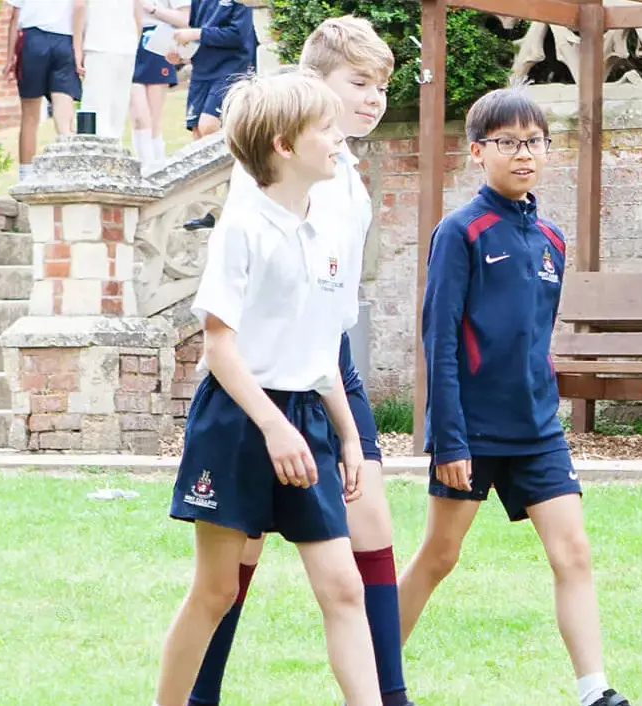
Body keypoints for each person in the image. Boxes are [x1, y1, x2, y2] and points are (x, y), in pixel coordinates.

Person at [185, 17, 415, 706]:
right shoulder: (267, 180)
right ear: (311, 89)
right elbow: (231, 319)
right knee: (233, 565)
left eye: (382, 85)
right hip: (266, 376)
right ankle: (199, 693)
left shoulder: (348, 177)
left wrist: (343, 420)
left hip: (326, 364)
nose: (374, 99)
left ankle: (388, 694)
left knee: (367, 529)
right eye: (359, 83)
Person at [152, 69, 381, 706]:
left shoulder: (331, 231)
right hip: (238, 421)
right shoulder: (242, 229)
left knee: (343, 588)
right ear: (285, 145)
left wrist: (349, 434)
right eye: (326, 128)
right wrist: (273, 428)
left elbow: (320, 349)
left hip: (306, 419)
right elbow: (218, 346)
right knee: (216, 591)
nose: (340, 139)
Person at [399, 88, 634, 706]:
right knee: (440, 555)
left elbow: (537, 336)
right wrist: (447, 436)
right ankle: (373, 676)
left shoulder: (552, 239)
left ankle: (595, 690)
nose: (523, 154)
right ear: (478, 152)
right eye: (507, 142)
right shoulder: (460, 232)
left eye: (534, 142)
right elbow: (440, 340)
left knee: (573, 551)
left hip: (538, 432)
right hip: (471, 433)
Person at [172, 0, 255, 230]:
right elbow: (195, 38)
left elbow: (238, 35)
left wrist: (196, 33)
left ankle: (236, 198)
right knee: (198, 134)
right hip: (202, 70)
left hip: (231, 68)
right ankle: (207, 211)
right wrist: (180, 54)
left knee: (209, 126)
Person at [4, 0, 87, 182]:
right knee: (64, 109)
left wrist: (10, 57)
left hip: (32, 40)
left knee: (30, 115)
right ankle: (69, 170)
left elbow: (14, 16)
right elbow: (80, 6)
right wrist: (78, 48)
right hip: (65, 39)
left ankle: (26, 175)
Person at [131, 0, 190, 171]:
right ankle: (145, 165)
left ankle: (157, 166)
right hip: (127, 40)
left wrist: (154, 9)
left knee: (154, 117)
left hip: (158, 38)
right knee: (139, 116)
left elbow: (186, 18)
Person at [80, 0, 141, 140]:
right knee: (117, 111)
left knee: (95, 110)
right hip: (126, 46)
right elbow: (138, 14)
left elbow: (80, 6)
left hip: (98, 44)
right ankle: (113, 152)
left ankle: (97, 154)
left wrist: (77, 46)